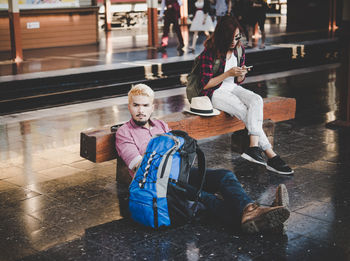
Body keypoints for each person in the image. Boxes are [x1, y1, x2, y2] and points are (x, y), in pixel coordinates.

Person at [116, 84, 290, 234]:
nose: (140, 110)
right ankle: (261, 219)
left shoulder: (161, 126)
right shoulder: (124, 132)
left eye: (145, 105)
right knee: (206, 197)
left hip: (179, 173)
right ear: (129, 106)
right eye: (136, 105)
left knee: (225, 176)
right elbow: (139, 165)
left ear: (152, 107)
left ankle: (252, 210)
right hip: (157, 184)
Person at [196, 15, 293, 175]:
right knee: (244, 110)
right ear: (223, 36)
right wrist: (228, 73)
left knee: (256, 100)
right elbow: (205, 84)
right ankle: (271, 155)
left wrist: (241, 74)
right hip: (214, 92)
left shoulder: (239, 49)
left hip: (232, 87)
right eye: (231, 38)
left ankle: (253, 147)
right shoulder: (210, 52)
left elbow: (238, 80)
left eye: (237, 37)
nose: (234, 41)